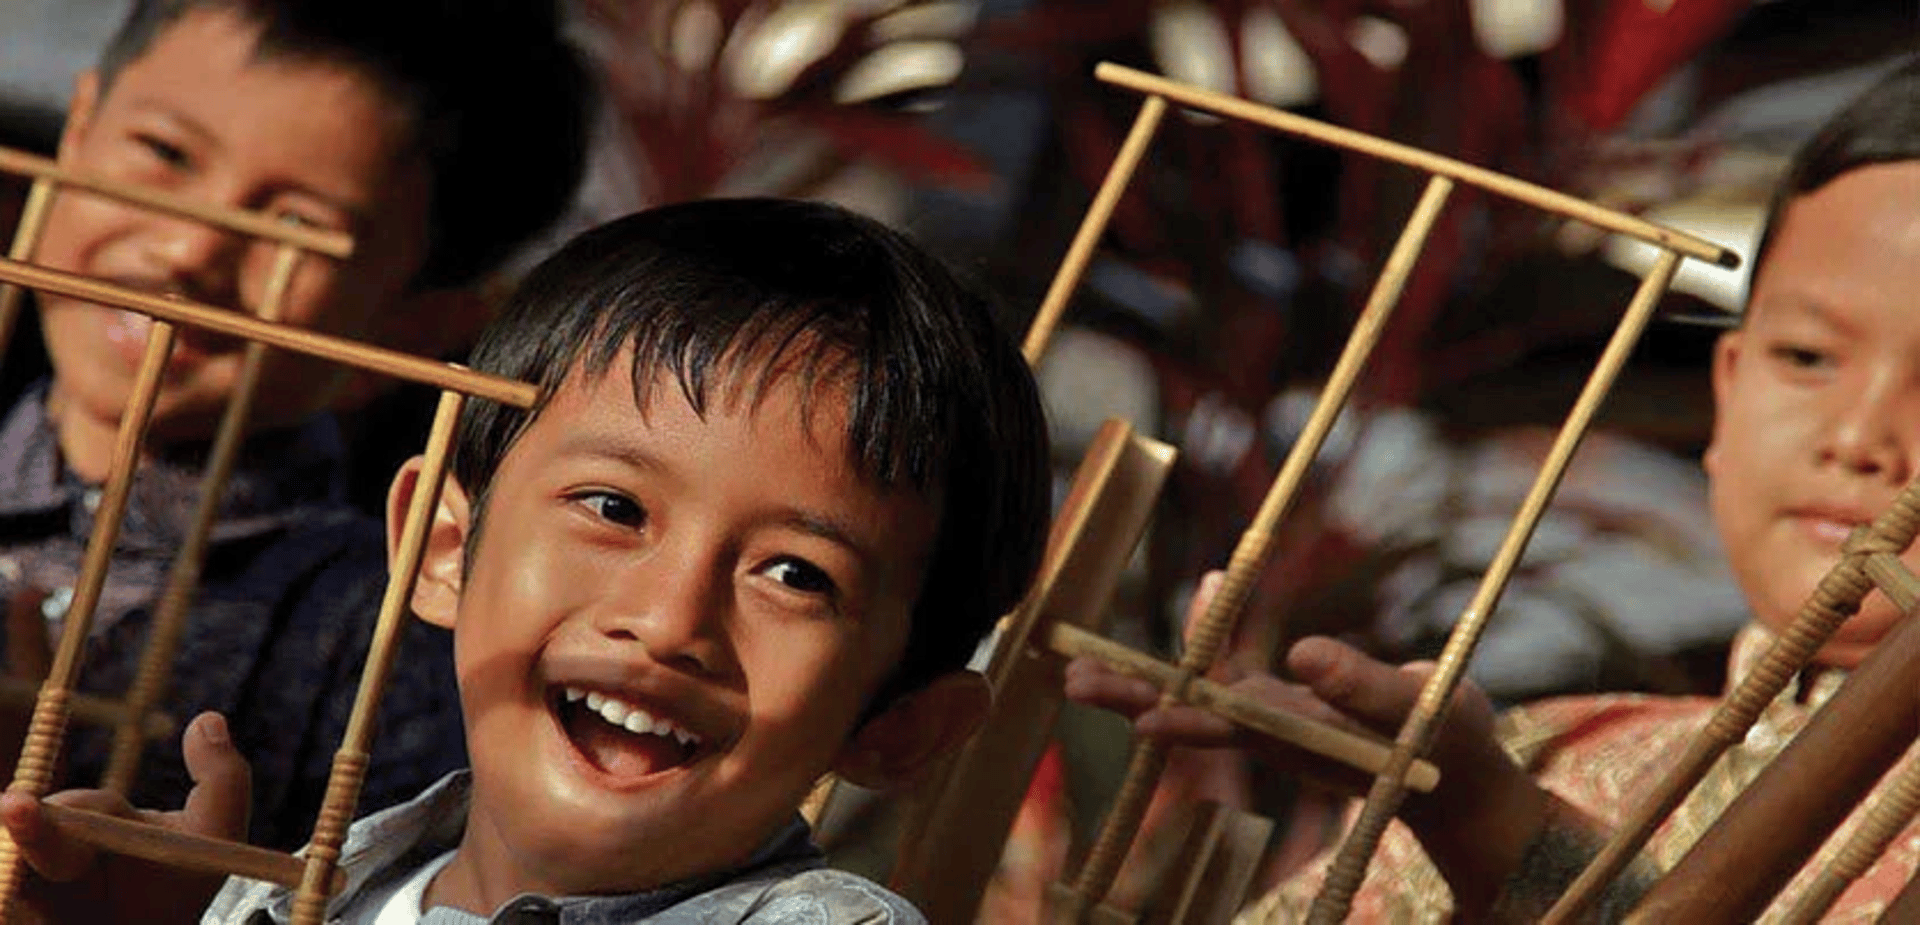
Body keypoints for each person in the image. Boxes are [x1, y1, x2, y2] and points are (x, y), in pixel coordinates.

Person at [0, 197, 1053, 924]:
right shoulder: (307, 884)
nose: (667, 618)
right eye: (612, 506)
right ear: (443, 545)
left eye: (794, 574)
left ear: (902, 723)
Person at [1066, 56, 1920, 922]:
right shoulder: (1550, 753)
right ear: (1728, 388)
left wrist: (1488, 822)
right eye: (1807, 358)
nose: (1857, 439)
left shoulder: (1491, 779)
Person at [0, 0, 591, 850]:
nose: (190, 250)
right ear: (80, 126)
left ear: (420, 321)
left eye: (295, 226)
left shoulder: (380, 641)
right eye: (164, 153)